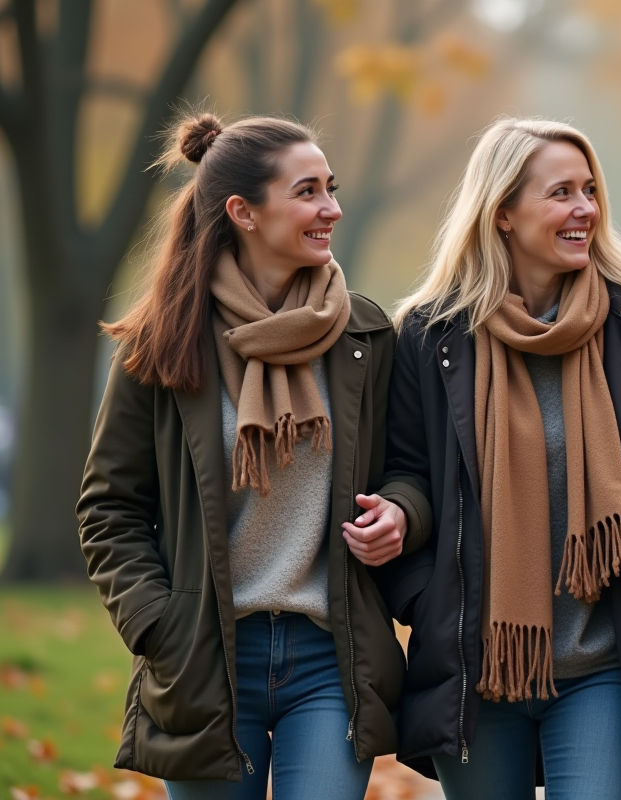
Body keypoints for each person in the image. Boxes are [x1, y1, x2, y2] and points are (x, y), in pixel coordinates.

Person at [77, 113, 426, 799]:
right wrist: (161, 626)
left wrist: (402, 513)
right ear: (243, 212)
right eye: (308, 192)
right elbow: (109, 508)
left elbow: (409, 469)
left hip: (332, 657)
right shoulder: (162, 345)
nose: (333, 207)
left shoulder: (364, 336)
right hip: (207, 658)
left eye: (331, 187)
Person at [379, 117, 621, 800]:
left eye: (589, 190)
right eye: (561, 193)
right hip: (477, 669)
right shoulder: (431, 336)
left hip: (602, 667)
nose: (585, 209)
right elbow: (402, 474)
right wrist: (423, 599)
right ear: (503, 213)